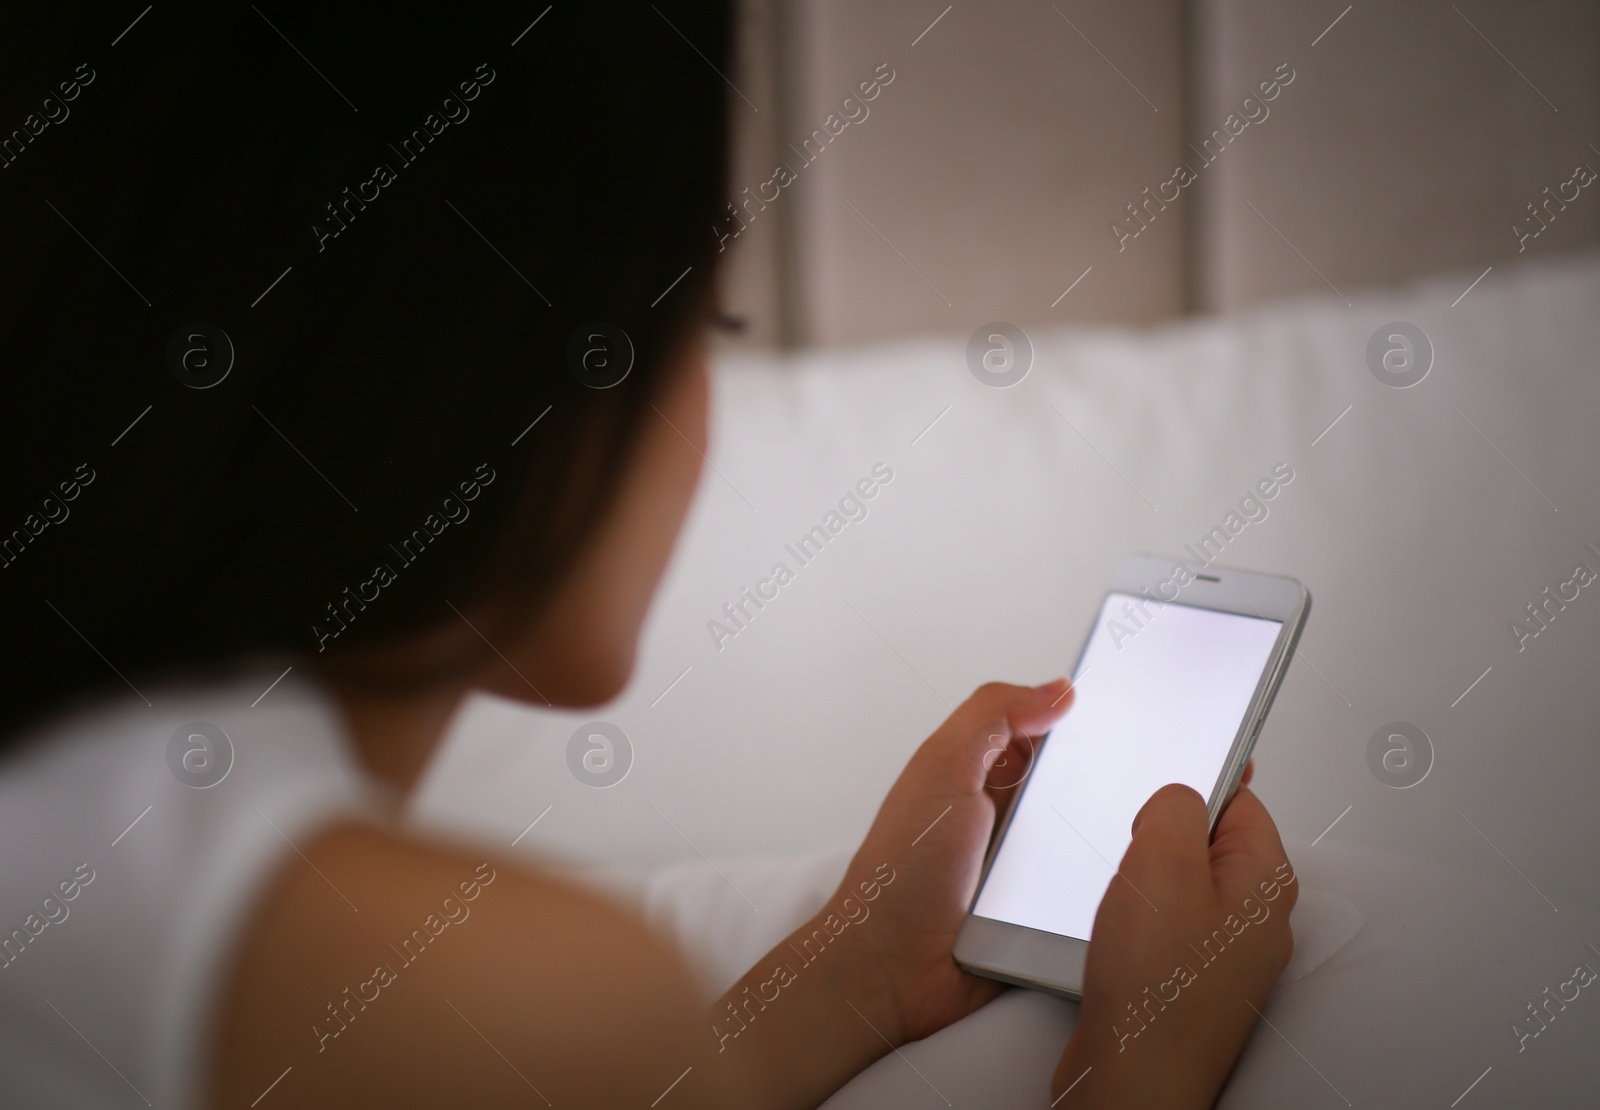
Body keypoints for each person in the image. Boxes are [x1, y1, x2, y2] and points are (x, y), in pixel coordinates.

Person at [0, 4, 1295, 1106]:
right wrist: (1135, 1066)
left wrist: (848, 962)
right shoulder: (498, 988)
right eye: (702, 313)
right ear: (509, 350)